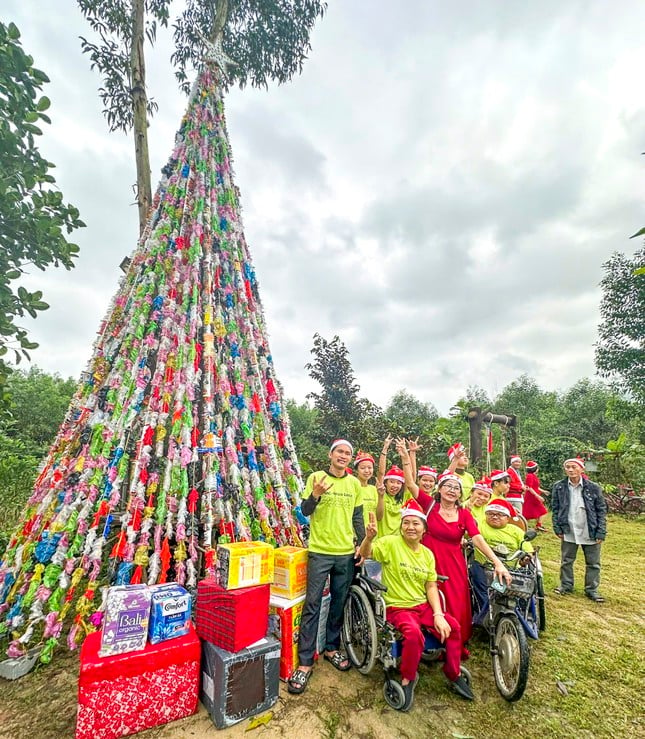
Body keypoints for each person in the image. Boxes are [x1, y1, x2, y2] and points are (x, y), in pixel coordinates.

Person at [396, 443, 512, 655]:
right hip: (427, 559)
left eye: (456, 488)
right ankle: (426, 639)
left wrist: (497, 562)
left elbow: (477, 539)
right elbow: (411, 483)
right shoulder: (429, 505)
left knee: (455, 599)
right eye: (447, 486)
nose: (451, 490)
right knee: (425, 598)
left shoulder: (465, 514)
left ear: (461, 494)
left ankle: (454, 640)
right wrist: (406, 456)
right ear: (439, 489)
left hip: (454, 563)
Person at [359, 501, 474, 708]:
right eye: (406, 523)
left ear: (424, 529)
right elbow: (365, 554)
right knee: (413, 634)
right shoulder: (390, 544)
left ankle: (453, 672)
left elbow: (431, 586)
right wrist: (369, 538)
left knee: (454, 627)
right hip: (398, 606)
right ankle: (408, 677)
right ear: (401, 526)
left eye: (416, 524)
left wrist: (438, 614)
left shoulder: (427, 554)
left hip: (422, 605)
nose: (410, 527)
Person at [288, 439, 366, 694]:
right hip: (320, 552)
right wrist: (316, 495)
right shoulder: (316, 478)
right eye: (340, 452)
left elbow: (357, 518)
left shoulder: (354, 484)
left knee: (338, 603)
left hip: (345, 554)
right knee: (312, 604)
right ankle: (306, 662)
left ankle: (332, 647)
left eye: (348, 453)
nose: (344, 456)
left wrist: (362, 545)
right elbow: (305, 510)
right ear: (331, 455)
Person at [551, 458, 607, 603]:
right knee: (567, 560)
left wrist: (601, 531)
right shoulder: (559, 487)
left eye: (573, 467)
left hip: (590, 528)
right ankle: (566, 585)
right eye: (567, 467)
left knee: (593, 562)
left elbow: (601, 510)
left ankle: (592, 589)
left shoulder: (593, 487)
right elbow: (555, 509)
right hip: (569, 528)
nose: (570, 470)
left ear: (581, 469)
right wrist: (557, 527)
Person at [470, 499, 534, 624]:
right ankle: (486, 614)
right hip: (484, 565)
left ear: (507, 518)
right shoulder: (479, 526)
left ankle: (519, 612)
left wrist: (526, 558)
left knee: (521, 586)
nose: (494, 517)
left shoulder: (516, 531)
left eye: (499, 514)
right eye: (490, 513)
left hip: (510, 569)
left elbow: (528, 551)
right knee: (480, 582)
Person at [376, 465, 410, 537]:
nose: (395, 485)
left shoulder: (404, 497)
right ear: (385, 483)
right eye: (392, 482)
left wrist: (411, 454)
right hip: (382, 540)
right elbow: (381, 473)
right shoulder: (381, 494)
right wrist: (384, 453)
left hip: (398, 541)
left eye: (398, 483)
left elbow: (411, 476)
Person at [354, 451, 378, 529]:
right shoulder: (352, 487)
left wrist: (380, 496)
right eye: (363, 468)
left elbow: (379, 515)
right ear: (356, 469)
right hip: (355, 536)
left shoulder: (374, 489)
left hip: (372, 533)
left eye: (370, 468)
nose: (367, 471)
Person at [523, 460, 549, 531]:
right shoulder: (530, 476)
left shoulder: (533, 476)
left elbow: (536, 487)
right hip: (532, 496)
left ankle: (538, 525)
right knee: (542, 511)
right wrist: (537, 496)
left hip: (534, 495)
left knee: (538, 511)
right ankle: (525, 525)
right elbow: (529, 487)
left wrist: (543, 491)